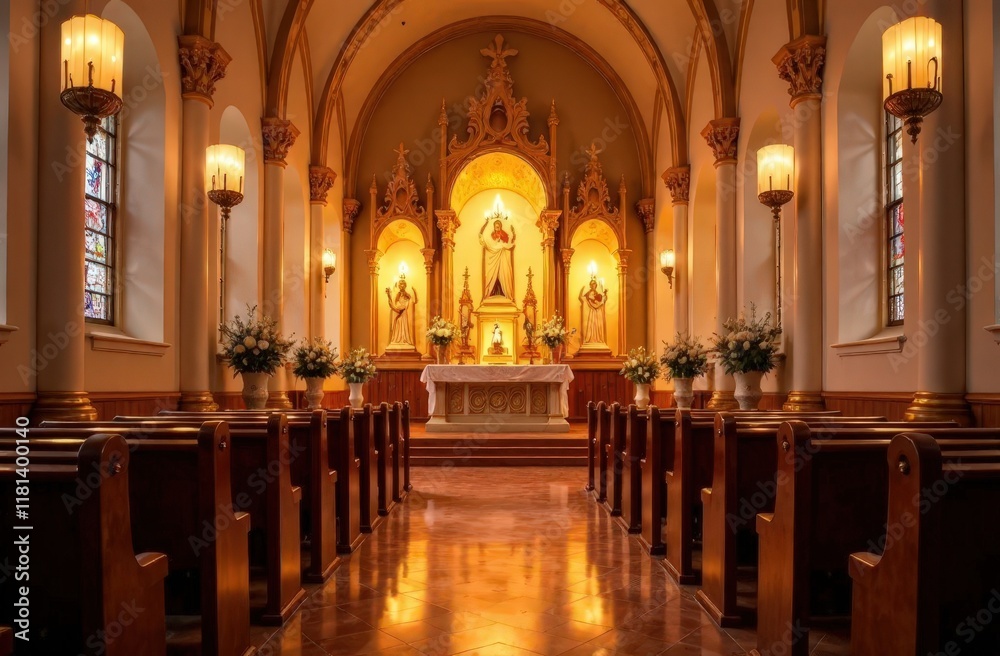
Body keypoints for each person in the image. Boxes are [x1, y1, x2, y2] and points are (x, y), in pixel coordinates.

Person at [480, 218, 516, 300]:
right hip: (494, 255)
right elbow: (491, 244)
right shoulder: (492, 235)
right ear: (494, 227)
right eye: (496, 227)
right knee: (491, 273)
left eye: (498, 227)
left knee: (505, 272)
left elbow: (507, 243)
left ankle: (505, 293)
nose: (497, 228)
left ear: (500, 227)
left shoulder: (504, 234)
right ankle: (491, 292)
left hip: (503, 255)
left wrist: (501, 240)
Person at [386, 279, 417, 347]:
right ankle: (397, 339)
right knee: (398, 325)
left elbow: (413, 300)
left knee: (404, 324)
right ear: (399, 286)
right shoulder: (398, 294)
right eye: (400, 284)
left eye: (403, 284)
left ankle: (405, 339)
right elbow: (395, 302)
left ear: (405, 286)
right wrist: (398, 307)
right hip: (398, 311)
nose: (401, 286)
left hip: (404, 311)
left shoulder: (406, 294)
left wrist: (414, 291)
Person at [580, 278, 608, 346]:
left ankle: (599, 339)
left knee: (598, 325)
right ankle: (590, 339)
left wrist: (605, 295)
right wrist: (582, 291)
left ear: (596, 285)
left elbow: (601, 300)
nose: (593, 286)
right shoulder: (589, 294)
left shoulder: (597, 293)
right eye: (592, 284)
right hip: (592, 312)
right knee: (591, 325)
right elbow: (584, 298)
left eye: (594, 284)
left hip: (598, 312)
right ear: (590, 285)